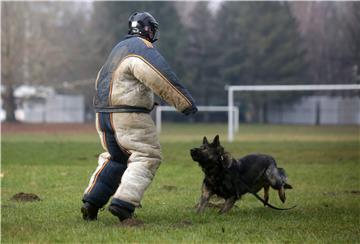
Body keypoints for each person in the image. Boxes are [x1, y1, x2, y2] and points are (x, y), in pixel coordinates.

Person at [81, 12, 197, 222]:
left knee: (116, 158)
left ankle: (92, 202)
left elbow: (106, 82)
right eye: (152, 29)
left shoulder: (117, 50)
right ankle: (123, 204)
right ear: (147, 29)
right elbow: (160, 76)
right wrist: (185, 103)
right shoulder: (141, 48)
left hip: (103, 116)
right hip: (129, 116)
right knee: (147, 156)